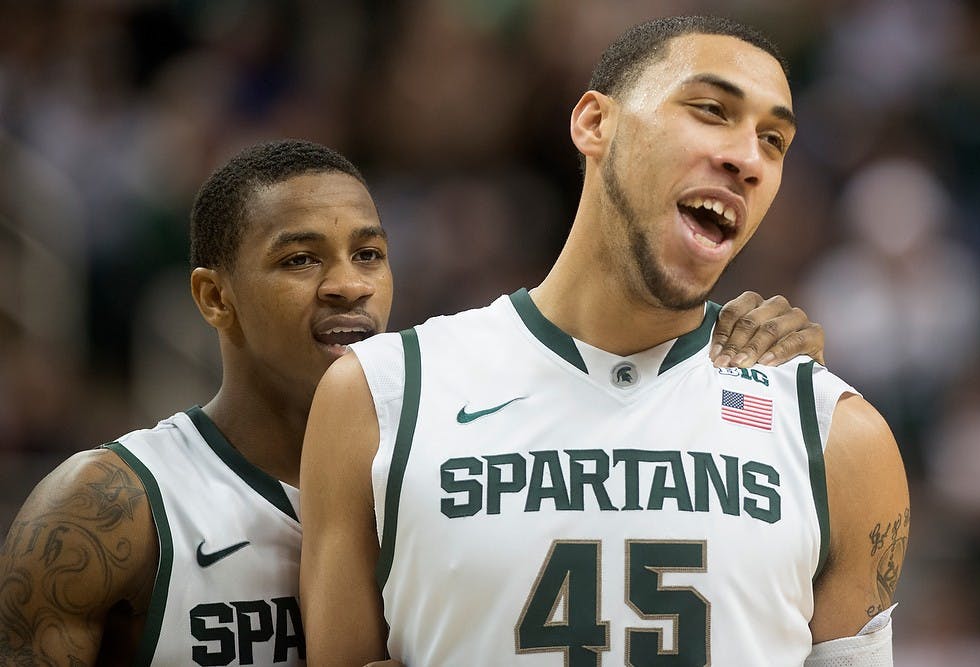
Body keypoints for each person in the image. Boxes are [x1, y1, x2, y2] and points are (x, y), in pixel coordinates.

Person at [0, 136, 822, 666]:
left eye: (369, 252)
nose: (349, 285)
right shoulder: (109, 509)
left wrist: (767, 364)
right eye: (299, 259)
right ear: (214, 298)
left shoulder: (468, 455)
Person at [299, 15, 908, 667]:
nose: (747, 158)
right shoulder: (378, 395)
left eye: (774, 139)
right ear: (596, 124)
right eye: (710, 110)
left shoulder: (838, 438)